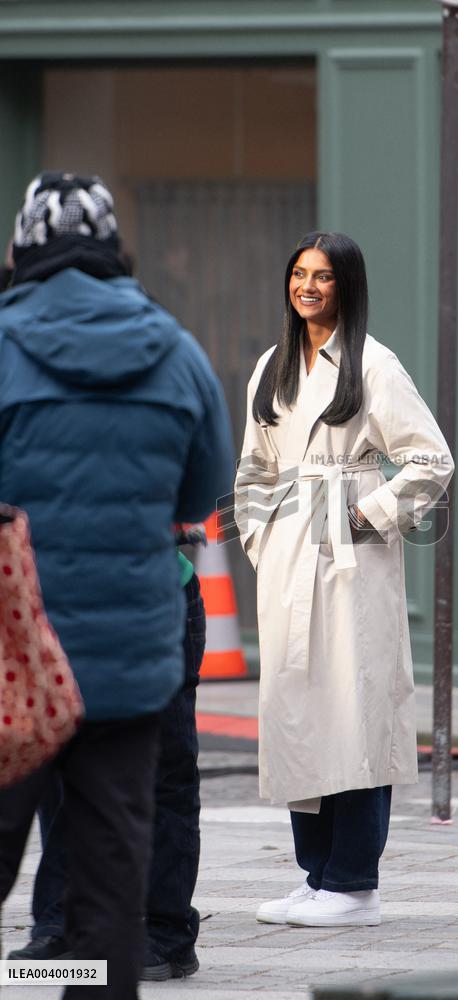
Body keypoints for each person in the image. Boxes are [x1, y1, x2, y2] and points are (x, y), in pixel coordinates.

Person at [0, 171, 234, 998]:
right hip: (130, 660)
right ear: (113, 250)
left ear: (22, 249)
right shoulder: (176, 351)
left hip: (14, 657)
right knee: (109, 887)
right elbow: (202, 494)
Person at [235, 231, 453, 927]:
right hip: (288, 554)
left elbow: (431, 460)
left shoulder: (374, 365)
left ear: (346, 286)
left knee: (353, 711)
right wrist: (261, 539)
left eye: (323, 276)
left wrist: (365, 515)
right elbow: (254, 466)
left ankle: (355, 883)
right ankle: (317, 875)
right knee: (298, 711)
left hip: (350, 559)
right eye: (299, 273)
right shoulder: (273, 366)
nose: (308, 286)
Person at [7, 549, 206, 982]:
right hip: (50, 600)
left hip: (149, 599)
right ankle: (62, 923)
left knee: (165, 770)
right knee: (58, 763)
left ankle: (164, 929)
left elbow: (193, 509)